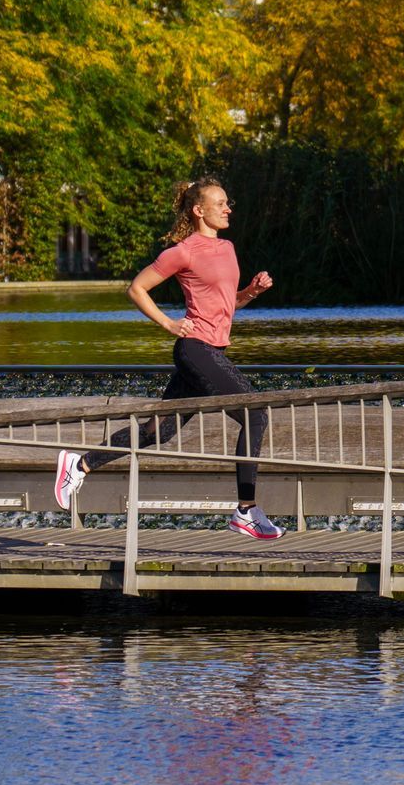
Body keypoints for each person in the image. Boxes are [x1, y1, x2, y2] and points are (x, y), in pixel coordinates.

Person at [52, 177, 284, 539]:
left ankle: (79, 464)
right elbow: (136, 288)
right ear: (198, 210)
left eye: (228, 202)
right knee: (255, 413)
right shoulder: (183, 251)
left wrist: (251, 293)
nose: (228, 208)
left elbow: (226, 304)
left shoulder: (227, 249)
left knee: (157, 432)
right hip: (195, 350)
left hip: (211, 351)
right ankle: (246, 510)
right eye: (220, 203)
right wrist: (168, 323)